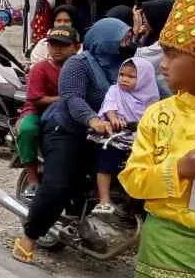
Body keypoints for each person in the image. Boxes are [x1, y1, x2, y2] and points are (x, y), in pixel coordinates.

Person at [13, 17, 134, 264]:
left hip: (104, 135)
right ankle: (29, 237)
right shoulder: (79, 63)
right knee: (59, 185)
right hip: (65, 129)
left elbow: (149, 89)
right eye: (122, 39)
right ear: (104, 39)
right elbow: (72, 98)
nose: (126, 43)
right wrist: (92, 119)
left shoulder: (124, 66)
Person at [118, 0, 195, 278]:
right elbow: (133, 181)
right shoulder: (159, 115)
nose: (162, 63)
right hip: (167, 242)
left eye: (171, 53)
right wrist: (178, 170)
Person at [16, 26, 79, 198]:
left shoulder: (81, 67)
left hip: (71, 114)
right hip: (37, 112)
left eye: (63, 45)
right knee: (28, 130)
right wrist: (65, 99)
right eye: (53, 45)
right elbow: (36, 99)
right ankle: (33, 180)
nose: (57, 49)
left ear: (75, 47)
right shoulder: (40, 68)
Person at [91, 58, 158, 217]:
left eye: (131, 76)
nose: (124, 79)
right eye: (121, 74)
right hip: (116, 137)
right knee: (106, 162)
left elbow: (153, 117)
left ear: (144, 79)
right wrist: (114, 119)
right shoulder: (115, 90)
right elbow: (110, 106)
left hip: (140, 140)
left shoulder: (152, 97)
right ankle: (104, 200)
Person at [132, 0, 173, 98]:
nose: (144, 24)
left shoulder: (165, 44)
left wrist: (135, 31)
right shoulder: (169, 35)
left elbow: (136, 59)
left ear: (156, 21)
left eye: (146, 21)